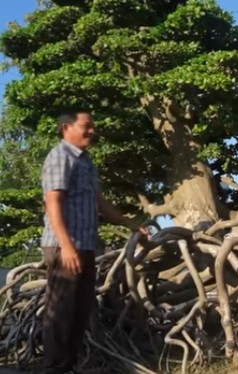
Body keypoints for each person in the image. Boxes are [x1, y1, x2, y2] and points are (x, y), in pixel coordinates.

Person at [41, 110, 148, 374]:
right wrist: (66, 246)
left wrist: (132, 224)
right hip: (64, 245)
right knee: (61, 313)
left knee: (80, 312)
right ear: (67, 128)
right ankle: (54, 368)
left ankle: (68, 366)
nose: (92, 131)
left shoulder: (86, 162)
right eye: (86, 126)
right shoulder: (60, 156)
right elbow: (52, 202)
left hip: (86, 245)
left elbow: (101, 204)